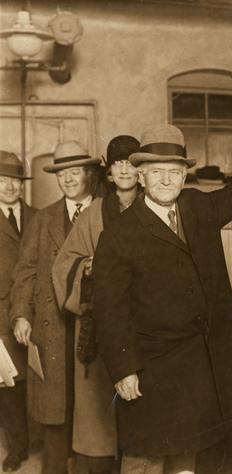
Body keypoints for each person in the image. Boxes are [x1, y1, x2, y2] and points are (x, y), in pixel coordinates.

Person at [92, 124, 232, 473]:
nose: (166, 181)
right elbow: (109, 311)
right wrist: (124, 370)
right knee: (146, 455)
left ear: (185, 176)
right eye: (157, 172)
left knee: (189, 451)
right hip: (152, 367)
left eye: (174, 172)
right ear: (141, 176)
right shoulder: (120, 234)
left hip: (196, 364)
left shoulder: (198, 206)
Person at [51, 135, 141, 474]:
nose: (124, 170)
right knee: (99, 415)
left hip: (143, 324)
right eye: (117, 163)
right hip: (98, 323)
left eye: (132, 162)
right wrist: (87, 267)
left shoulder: (153, 207)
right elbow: (63, 265)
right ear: (107, 171)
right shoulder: (93, 214)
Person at [11, 141, 101, 474]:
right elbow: (26, 271)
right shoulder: (43, 218)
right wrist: (20, 314)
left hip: (92, 326)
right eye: (62, 174)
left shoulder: (105, 213)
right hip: (52, 327)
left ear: (88, 175)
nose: (68, 180)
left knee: (93, 408)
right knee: (55, 407)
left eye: (74, 172)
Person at [0, 151, 36, 472]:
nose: (9, 187)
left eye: (14, 180)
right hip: (1, 314)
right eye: (2, 181)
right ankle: (17, 448)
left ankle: (38, 441)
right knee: (11, 384)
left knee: (40, 378)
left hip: (38, 312)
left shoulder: (39, 216)